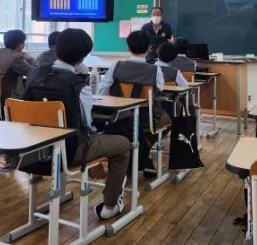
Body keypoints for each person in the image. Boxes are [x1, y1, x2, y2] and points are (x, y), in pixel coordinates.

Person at [22, 29, 130, 220]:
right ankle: (110, 205)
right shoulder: (79, 86)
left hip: (31, 149)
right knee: (122, 145)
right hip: (69, 150)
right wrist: (93, 161)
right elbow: (87, 126)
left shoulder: (33, 73)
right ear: (83, 56)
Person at [97, 31, 167, 174]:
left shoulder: (116, 66)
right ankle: (145, 154)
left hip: (118, 116)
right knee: (167, 121)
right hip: (145, 117)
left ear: (128, 47)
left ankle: (141, 155)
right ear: (149, 47)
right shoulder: (155, 70)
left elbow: (102, 90)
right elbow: (159, 89)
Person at [0, 29, 36, 99]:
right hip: (8, 97)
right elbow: (34, 72)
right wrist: (28, 56)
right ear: (20, 45)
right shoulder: (16, 57)